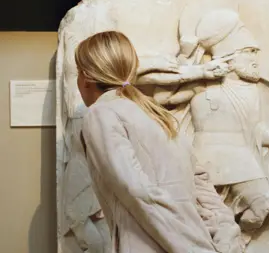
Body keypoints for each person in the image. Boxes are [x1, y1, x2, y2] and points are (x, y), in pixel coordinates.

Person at [75, 31, 243, 253]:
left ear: (85, 76)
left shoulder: (101, 114)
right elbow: (203, 191)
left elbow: (137, 191)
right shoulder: (158, 116)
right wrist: (225, 239)